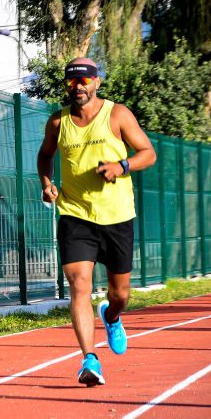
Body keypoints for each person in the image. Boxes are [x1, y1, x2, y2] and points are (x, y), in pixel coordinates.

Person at [37, 58, 156, 387]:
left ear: (97, 82)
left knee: (120, 294)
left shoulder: (117, 115)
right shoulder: (58, 123)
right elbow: (45, 155)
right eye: (72, 82)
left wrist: (123, 165)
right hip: (75, 215)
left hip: (117, 216)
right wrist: (47, 184)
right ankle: (89, 359)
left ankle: (112, 316)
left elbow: (148, 152)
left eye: (84, 81)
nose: (78, 88)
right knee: (79, 286)